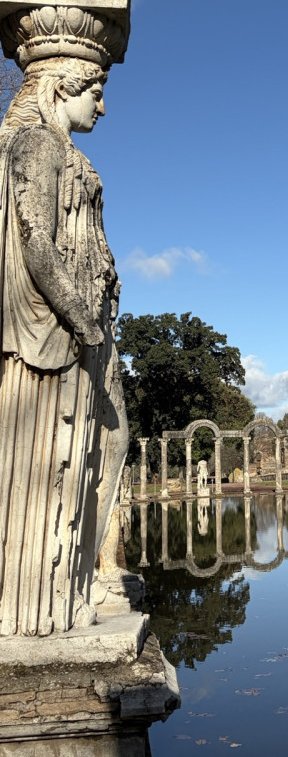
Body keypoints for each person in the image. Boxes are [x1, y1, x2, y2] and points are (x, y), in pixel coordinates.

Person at [0, 56, 128, 636]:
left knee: (115, 441)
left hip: (93, 328)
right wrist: (83, 320)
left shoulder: (71, 154)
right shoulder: (35, 145)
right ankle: (45, 599)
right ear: (60, 88)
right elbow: (36, 244)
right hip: (61, 333)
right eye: (95, 92)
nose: (102, 106)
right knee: (59, 458)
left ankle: (77, 576)